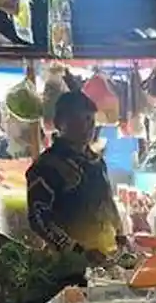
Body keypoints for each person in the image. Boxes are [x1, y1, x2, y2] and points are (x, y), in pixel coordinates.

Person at [26, 91, 121, 265]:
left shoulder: (96, 162)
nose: (87, 127)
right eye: (80, 120)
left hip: (106, 257)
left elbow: (108, 201)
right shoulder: (47, 166)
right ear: (60, 123)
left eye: (90, 120)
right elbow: (38, 218)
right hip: (67, 265)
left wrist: (121, 235)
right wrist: (77, 250)